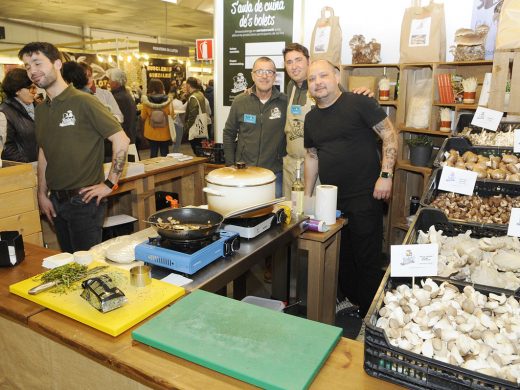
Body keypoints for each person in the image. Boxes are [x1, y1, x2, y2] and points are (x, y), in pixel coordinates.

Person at [304, 59, 398, 318]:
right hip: (331, 200)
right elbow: (312, 156)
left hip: (365, 195)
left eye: (323, 76)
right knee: (340, 256)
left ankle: (372, 316)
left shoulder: (359, 103)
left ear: (336, 77)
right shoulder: (311, 119)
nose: (318, 82)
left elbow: (389, 135)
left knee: (366, 258)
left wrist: (386, 175)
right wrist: (308, 196)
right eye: (312, 79)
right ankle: (354, 302)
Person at [19, 42, 130, 253]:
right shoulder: (41, 110)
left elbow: (121, 139)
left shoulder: (84, 101)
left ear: (57, 64)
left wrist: (110, 183)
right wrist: (42, 194)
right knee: (70, 265)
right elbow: (44, 152)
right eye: (27, 66)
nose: (32, 71)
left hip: (84, 201)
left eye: (37, 63)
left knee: (88, 269)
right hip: (56, 201)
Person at [282, 43, 373, 199]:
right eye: (289, 62)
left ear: (308, 61)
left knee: (316, 217)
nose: (294, 66)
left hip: (315, 166)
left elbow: (345, 102)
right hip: (291, 166)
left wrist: (365, 94)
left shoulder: (323, 87)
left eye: (298, 60)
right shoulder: (290, 87)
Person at [223, 56, 286, 197]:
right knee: (243, 214)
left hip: (274, 175)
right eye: (259, 71)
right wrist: (229, 164)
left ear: (275, 76)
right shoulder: (240, 101)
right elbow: (228, 133)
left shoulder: (285, 102)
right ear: (252, 75)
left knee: (272, 216)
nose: (264, 76)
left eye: (269, 72)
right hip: (243, 172)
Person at [0, 68, 38, 162]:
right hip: (23, 169)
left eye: (35, 87)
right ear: (17, 90)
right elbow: (6, 147)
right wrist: (28, 165)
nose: (35, 92)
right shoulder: (4, 113)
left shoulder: (39, 107)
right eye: (31, 88)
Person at [141, 78, 173, 157]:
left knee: (153, 153)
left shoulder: (146, 101)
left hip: (151, 132)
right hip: (165, 132)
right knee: (165, 154)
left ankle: (154, 168)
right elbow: (172, 115)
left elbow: (143, 116)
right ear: (162, 87)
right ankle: (165, 168)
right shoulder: (168, 100)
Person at [107, 68, 137, 144]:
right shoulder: (126, 95)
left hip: (121, 140)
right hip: (128, 137)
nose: (108, 82)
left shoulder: (117, 98)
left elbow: (117, 122)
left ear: (116, 83)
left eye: (110, 80)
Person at [184, 77, 208, 154]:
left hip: (195, 128)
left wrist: (186, 127)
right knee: (201, 151)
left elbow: (192, 115)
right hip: (202, 126)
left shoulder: (193, 97)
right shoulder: (200, 94)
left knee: (198, 151)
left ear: (188, 85)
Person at [169, 86, 186, 153]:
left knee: (173, 141)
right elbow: (182, 112)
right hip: (178, 123)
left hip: (171, 123)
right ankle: (176, 154)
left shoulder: (168, 102)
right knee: (177, 143)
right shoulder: (178, 102)